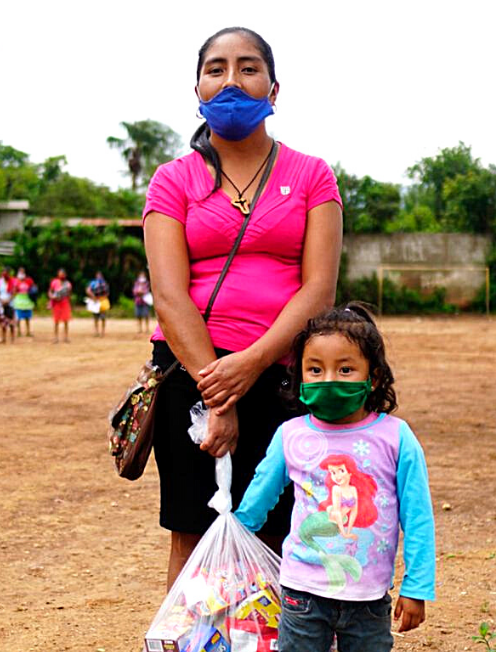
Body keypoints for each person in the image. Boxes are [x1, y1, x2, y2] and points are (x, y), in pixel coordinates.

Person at [142, 26, 343, 588]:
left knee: (279, 527)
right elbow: (169, 294)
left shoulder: (312, 176)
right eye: (216, 69)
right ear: (198, 90)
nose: (231, 80)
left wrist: (250, 365)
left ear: (274, 90)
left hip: (283, 377)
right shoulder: (172, 181)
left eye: (248, 68)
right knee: (192, 530)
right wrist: (218, 391)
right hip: (190, 377)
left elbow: (318, 290)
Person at [234, 304, 436, 652]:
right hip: (301, 593)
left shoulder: (396, 437)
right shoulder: (291, 434)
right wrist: (235, 535)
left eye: (345, 369)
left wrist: (417, 586)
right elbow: (259, 496)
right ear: (300, 376)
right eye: (315, 369)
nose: (329, 379)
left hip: (370, 597)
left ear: (373, 378)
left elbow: (418, 516)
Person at [48, 268, 73, 343]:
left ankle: (66, 337)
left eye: (63, 273)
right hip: (56, 304)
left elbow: (69, 294)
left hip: (65, 303)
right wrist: (52, 297)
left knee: (66, 320)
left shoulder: (68, 284)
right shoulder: (54, 282)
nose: (61, 275)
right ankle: (55, 337)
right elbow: (50, 291)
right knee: (56, 321)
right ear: (58, 274)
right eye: (60, 273)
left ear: (65, 275)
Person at [12, 267, 36, 338]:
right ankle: (19, 332)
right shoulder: (16, 281)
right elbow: (14, 291)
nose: (22, 273)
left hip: (27, 300)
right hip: (19, 300)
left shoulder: (29, 280)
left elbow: (33, 288)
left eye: (23, 272)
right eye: (20, 272)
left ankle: (28, 332)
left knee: (27, 317)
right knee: (18, 317)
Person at [85, 271, 110, 338]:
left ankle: (103, 332)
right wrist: (93, 296)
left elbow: (107, 293)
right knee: (95, 318)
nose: (98, 277)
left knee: (103, 318)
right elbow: (87, 290)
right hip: (95, 301)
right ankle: (96, 332)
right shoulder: (93, 283)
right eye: (97, 275)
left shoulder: (104, 283)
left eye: (100, 275)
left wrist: (103, 298)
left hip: (102, 302)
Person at [0, 269, 16, 344]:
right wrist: (1, 300)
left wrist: (8, 301)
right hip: (1, 304)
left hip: (10, 304)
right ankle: (3, 338)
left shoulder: (12, 281)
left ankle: (12, 339)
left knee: (11, 321)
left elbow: (13, 293)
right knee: (2, 321)